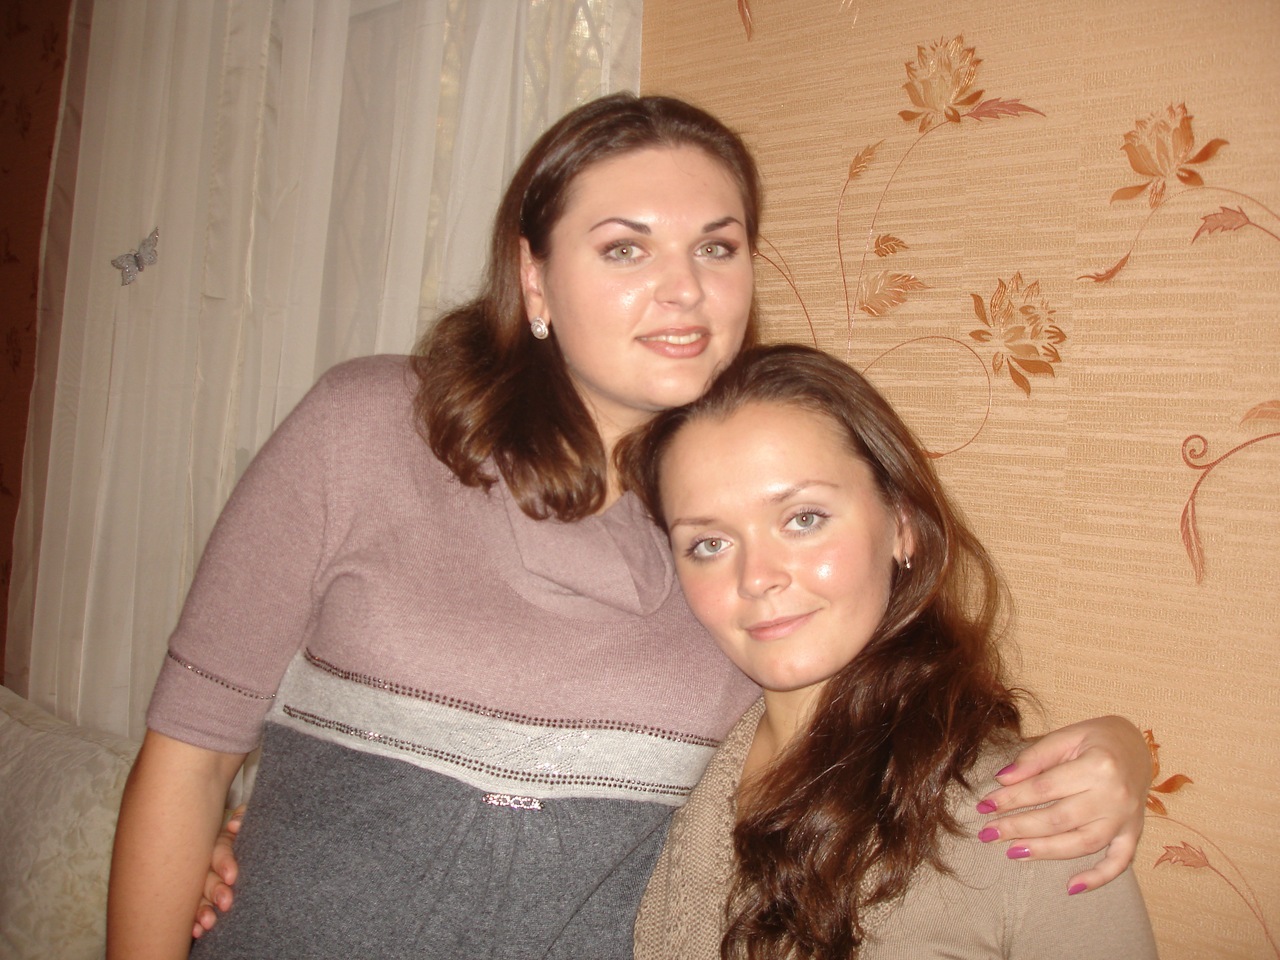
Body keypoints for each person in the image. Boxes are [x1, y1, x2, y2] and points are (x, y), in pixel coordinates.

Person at [107, 94, 1151, 960]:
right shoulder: (368, 427)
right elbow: (188, 761)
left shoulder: (726, 536)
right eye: (623, 249)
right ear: (534, 279)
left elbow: (869, 708)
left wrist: (1116, 753)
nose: (682, 290)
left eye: (716, 247)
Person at [623, 344, 1158, 959]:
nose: (757, 577)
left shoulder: (1035, 821)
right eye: (710, 544)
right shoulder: (660, 767)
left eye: (803, 519)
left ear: (901, 523)